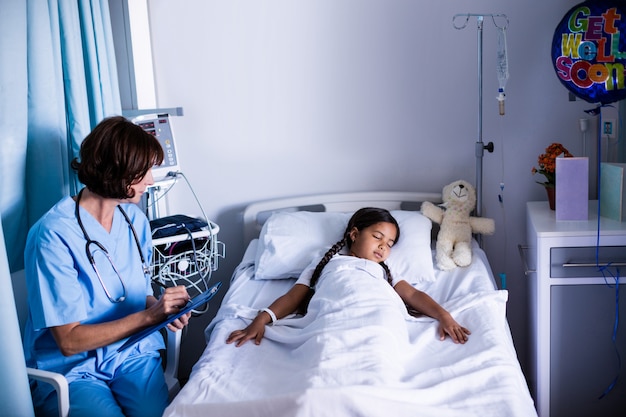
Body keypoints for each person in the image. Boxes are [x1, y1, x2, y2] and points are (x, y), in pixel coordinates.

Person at [23, 116, 191, 417]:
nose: (151, 181)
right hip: (73, 369)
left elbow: (137, 296)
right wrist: (150, 315)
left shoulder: (135, 221)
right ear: (117, 171)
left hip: (131, 354)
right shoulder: (52, 234)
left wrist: (166, 308)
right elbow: (69, 342)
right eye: (144, 171)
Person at [226, 207, 471, 347]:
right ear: (355, 234)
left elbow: (413, 294)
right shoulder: (325, 261)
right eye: (377, 237)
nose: (384, 247)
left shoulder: (386, 270)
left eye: (390, 243)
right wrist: (262, 319)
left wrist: (444, 316)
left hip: (379, 317)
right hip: (333, 316)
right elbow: (293, 297)